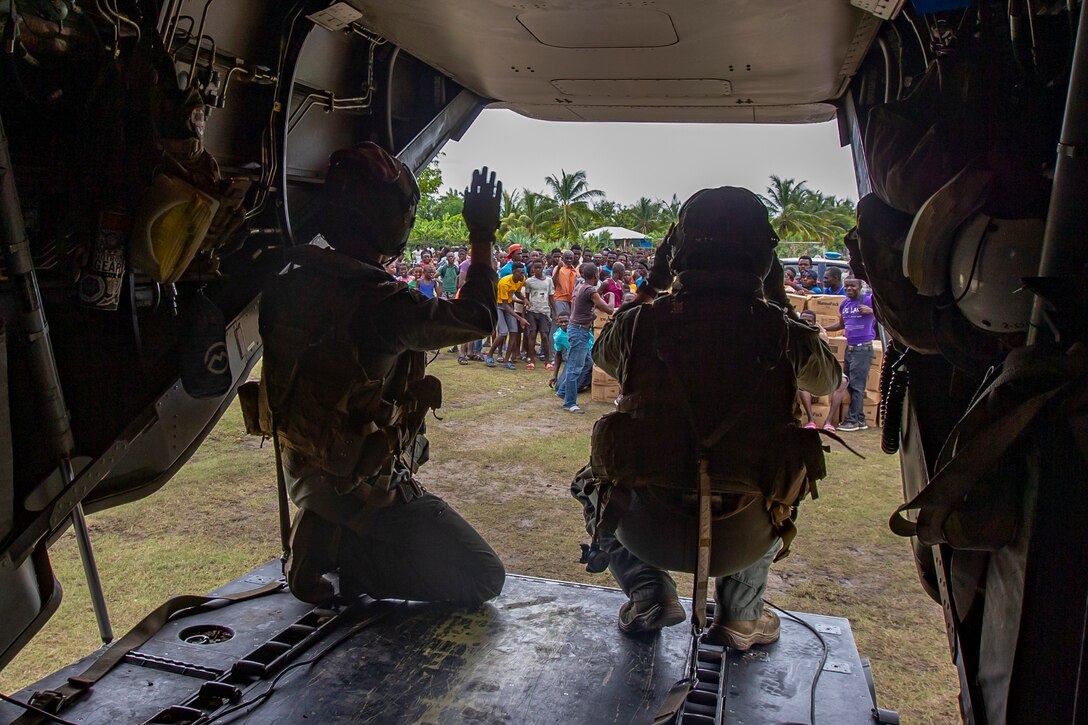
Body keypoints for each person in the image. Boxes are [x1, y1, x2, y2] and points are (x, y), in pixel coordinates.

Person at [573, 186, 840, 645]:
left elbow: (604, 355)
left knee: (589, 480)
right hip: (745, 534)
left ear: (676, 255)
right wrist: (778, 301)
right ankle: (740, 615)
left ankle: (649, 590)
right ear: (764, 258)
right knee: (775, 481)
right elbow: (828, 381)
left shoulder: (642, 323)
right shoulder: (782, 332)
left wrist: (651, 288)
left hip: (645, 524)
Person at [259, 143, 505, 606]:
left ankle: (323, 529)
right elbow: (477, 317)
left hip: (303, 469)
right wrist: (481, 235)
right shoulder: (381, 304)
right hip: (362, 487)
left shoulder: (287, 286)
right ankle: (345, 559)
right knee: (482, 576)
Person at [823, 278, 876, 431]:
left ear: (860, 286)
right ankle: (860, 420)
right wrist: (822, 328)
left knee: (857, 386)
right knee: (850, 385)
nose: (849, 288)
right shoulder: (844, 304)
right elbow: (841, 324)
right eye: (846, 286)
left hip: (862, 348)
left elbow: (886, 317)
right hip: (850, 347)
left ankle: (852, 421)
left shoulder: (869, 300)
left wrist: (872, 311)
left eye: (853, 286)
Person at [561, 263, 613, 413]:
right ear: (596, 275)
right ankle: (569, 403)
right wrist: (611, 296)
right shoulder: (589, 290)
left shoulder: (580, 286)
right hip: (579, 331)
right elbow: (608, 309)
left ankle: (563, 391)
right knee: (575, 368)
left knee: (586, 363)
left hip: (577, 330)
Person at [797, 310, 848, 431]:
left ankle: (828, 421)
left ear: (814, 323)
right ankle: (811, 420)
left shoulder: (820, 336)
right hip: (803, 373)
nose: (807, 323)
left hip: (821, 370)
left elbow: (824, 361)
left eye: (810, 321)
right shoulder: (795, 335)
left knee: (843, 381)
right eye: (804, 320)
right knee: (802, 385)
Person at [488, 261, 528, 369]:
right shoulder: (504, 283)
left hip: (508, 305)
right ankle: (490, 354)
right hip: (499, 306)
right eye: (520, 273)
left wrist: (525, 299)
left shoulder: (521, 279)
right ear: (513, 272)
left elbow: (518, 292)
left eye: (523, 273)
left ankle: (506, 360)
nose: (522, 275)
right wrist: (520, 318)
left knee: (514, 332)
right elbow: (504, 305)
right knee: (503, 332)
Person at [523, 259, 556, 370]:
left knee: (544, 336)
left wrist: (556, 312)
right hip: (532, 311)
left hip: (544, 311)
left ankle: (547, 361)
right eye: (535, 268)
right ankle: (531, 360)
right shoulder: (529, 281)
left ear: (543, 267)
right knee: (532, 335)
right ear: (532, 269)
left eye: (539, 267)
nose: (537, 270)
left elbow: (551, 297)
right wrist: (524, 314)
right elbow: (526, 299)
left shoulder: (549, 281)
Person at [552, 250, 578, 317]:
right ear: (563, 258)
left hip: (570, 300)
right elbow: (553, 282)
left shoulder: (574, 270)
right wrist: (558, 269)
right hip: (559, 299)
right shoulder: (559, 268)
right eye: (567, 258)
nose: (569, 260)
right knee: (559, 320)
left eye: (571, 258)